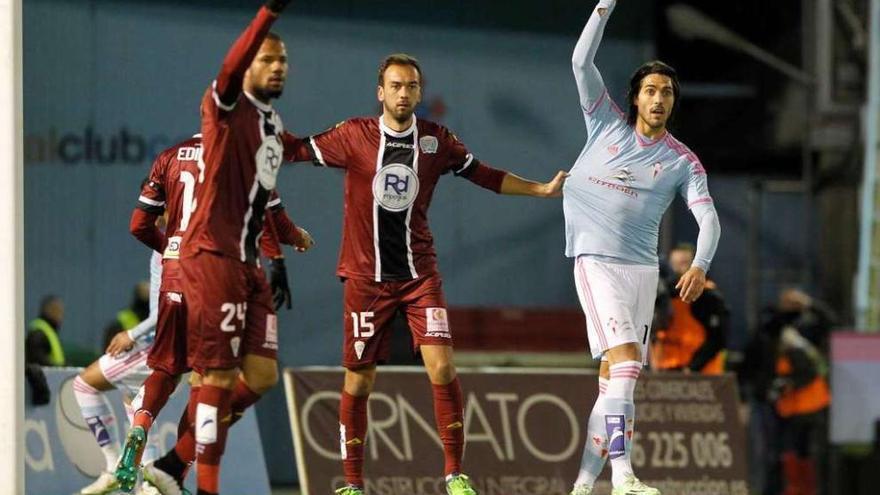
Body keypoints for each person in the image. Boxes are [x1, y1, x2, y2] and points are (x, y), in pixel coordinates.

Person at [282, 53, 567, 495]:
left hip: (419, 277)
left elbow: (484, 174)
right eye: (395, 85)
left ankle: (455, 474)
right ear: (381, 92)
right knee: (360, 379)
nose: (403, 93)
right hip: (366, 278)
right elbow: (296, 148)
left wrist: (542, 189)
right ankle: (352, 483)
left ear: (419, 92)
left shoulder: (436, 141)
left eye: (411, 86)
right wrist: (249, 136)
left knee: (442, 365)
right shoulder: (354, 134)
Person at [137, 1, 298, 493]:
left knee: (263, 377)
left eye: (283, 60)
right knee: (218, 380)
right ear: (247, 65)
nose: (277, 67)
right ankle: (206, 484)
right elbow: (229, 67)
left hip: (248, 266)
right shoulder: (226, 108)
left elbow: (259, 200)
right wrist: (268, 14)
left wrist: (275, 256)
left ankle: (170, 464)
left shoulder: (271, 126)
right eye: (267, 59)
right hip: (213, 261)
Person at [564, 2, 721, 494]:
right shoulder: (604, 125)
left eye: (667, 92)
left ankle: (584, 486)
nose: (659, 98)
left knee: (615, 379)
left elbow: (708, 216)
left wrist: (700, 262)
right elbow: (580, 63)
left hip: (640, 273)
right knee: (629, 361)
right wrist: (604, 5)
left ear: (673, 103)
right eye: (651, 90)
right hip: (596, 263)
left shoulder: (682, 161)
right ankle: (625, 476)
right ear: (635, 99)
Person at [117, 133, 311, 495]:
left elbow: (138, 225)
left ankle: (141, 429)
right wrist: (296, 238)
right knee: (210, 383)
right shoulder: (244, 155)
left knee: (166, 368)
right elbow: (274, 219)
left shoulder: (170, 155)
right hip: (218, 276)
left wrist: (174, 248)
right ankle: (181, 474)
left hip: (175, 270)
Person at [73, 252, 163, 495]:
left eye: (155, 210)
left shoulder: (169, 248)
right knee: (138, 403)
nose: (150, 213)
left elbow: (164, 312)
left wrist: (131, 335)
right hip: (184, 349)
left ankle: (113, 466)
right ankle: (149, 482)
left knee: (84, 385)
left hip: (156, 347)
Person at [651, 243, 728, 374]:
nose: (677, 269)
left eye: (683, 263)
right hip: (664, 371)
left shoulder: (708, 296)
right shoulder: (662, 296)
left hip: (701, 375)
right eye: (674, 264)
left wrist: (692, 368)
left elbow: (717, 339)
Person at [25, 295, 66, 367]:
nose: (61, 316)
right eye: (58, 311)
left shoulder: (48, 330)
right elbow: (38, 359)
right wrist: (59, 368)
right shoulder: (39, 333)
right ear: (49, 311)